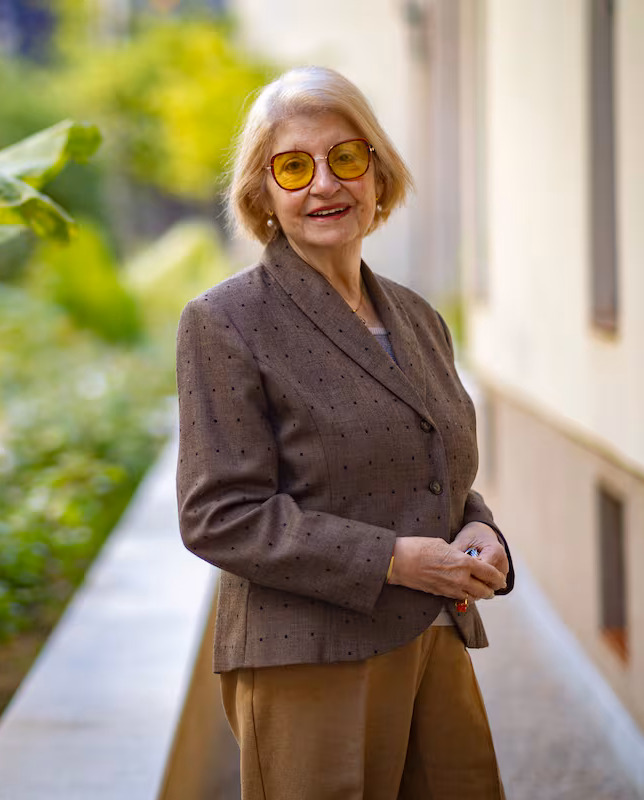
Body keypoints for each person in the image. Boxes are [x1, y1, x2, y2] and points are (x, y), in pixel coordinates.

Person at [175, 66, 515, 799]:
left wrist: (481, 532)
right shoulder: (227, 321)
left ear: (378, 174)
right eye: (294, 166)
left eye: (347, 157)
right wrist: (394, 561)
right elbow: (217, 515)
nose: (324, 183)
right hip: (310, 659)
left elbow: (432, 466)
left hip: (436, 640)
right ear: (263, 194)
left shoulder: (418, 318)